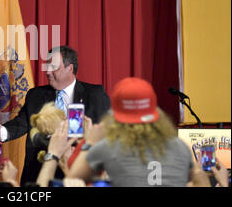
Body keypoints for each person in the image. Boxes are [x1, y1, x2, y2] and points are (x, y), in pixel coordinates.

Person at [0, 45, 111, 185]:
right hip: (40, 173)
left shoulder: (95, 94)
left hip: (80, 174)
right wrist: (0, 132)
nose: (48, 72)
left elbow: (108, 132)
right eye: (47, 66)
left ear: (69, 68)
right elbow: (21, 123)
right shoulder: (35, 95)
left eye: (53, 67)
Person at [67, 77, 197, 187]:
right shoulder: (181, 147)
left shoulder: (107, 148)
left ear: (114, 115)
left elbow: (73, 180)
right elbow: (200, 179)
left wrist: (90, 142)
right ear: (155, 111)